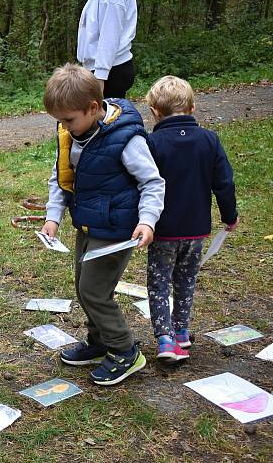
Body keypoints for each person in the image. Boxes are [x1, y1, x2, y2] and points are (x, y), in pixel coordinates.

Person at [40, 63, 165, 385]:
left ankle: (125, 350)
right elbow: (61, 178)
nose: (64, 126)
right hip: (87, 225)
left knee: (94, 291)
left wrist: (147, 221)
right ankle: (99, 343)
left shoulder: (125, 138)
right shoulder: (71, 132)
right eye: (60, 121)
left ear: (93, 108)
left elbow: (152, 182)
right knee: (86, 287)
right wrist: (53, 217)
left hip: (116, 229)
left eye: (69, 119)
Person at [145, 76, 238, 362]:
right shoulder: (209, 140)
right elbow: (224, 182)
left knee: (159, 282)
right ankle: (182, 332)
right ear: (193, 107)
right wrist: (229, 215)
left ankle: (164, 338)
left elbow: (143, 184)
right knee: (186, 280)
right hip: (196, 229)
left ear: (154, 112)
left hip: (162, 230)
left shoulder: (152, 143)